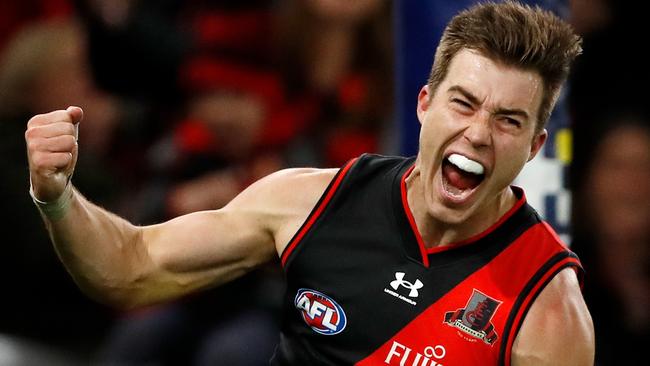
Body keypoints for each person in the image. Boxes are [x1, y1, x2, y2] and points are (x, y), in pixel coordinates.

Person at [24, 1, 594, 364]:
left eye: (508, 120)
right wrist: (57, 198)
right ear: (425, 105)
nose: (478, 133)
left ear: (534, 148)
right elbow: (129, 269)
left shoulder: (547, 312)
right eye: (463, 104)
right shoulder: (312, 200)